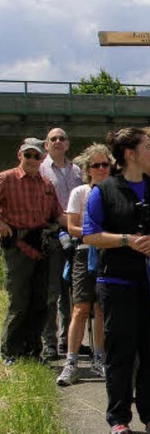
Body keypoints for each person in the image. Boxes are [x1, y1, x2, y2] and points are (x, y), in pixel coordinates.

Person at [83, 127, 150, 434]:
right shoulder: (104, 191)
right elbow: (90, 235)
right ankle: (119, 419)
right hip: (118, 284)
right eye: (149, 148)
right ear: (130, 154)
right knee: (121, 352)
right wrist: (127, 240)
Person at [0, 138, 65, 366]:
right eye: (28, 155)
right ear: (20, 155)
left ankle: (32, 351)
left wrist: (85, 225)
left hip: (42, 248)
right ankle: (9, 351)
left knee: (41, 302)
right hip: (17, 247)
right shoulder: (6, 178)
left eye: (36, 156)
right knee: (19, 302)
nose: (32, 160)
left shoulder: (47, 184)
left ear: (42, 158)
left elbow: (58, 214)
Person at [56, 144, 112, 386]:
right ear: (88, 169)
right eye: (95, 165)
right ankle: (71, 362)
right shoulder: (80, 192)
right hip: (84, 253)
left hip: (108, 254)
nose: (100, 169)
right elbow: (72, 227)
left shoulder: (116, 191)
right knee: (80, 308)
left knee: (101, 309)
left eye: (105, 164)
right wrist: (96, 234)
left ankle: (99, 358)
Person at [40, 127, 83, 360]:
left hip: (76, 234)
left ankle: (69, 341)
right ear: (46, 145)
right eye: (53, 139)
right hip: (54, 234)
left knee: (74, 293)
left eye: (62, 138)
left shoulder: (76, 170)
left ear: (68, 144)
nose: (58, 141)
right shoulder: (41, 169)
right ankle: (50, 342)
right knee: (53, 291)